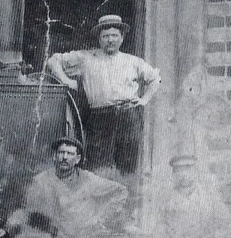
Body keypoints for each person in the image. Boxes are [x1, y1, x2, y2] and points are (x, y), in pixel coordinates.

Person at [46, 14, 161, 174]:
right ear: (99, 39)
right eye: (105, 36)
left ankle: (127, 197)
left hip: (128, 116)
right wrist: (66, 80)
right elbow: (53, 61)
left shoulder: (133, 61)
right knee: (97, 166)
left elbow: (155, 79)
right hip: (99, 118)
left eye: (114, 35)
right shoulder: (85, 58)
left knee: (129, 165)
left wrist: (144, 100)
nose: (110, 40)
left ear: (122, 38)